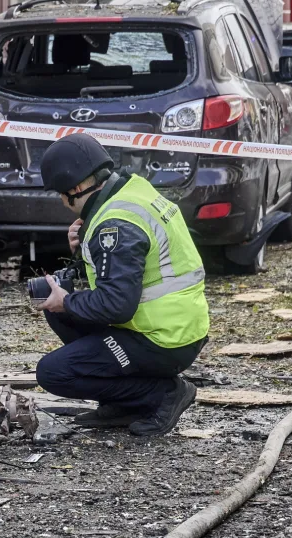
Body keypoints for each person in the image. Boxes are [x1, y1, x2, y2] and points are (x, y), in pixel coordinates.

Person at [34, 133, 209, 437]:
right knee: (59, 310)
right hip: (178, 323)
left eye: (62, 194)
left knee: (52, 372)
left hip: (164, 339)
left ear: (76, 188)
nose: (63, 202)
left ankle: (163, 394)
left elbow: (117, 304)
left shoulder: (115, 225)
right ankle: (124, 402)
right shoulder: (132, 190)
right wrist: (82, 250)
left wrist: (68, 301)